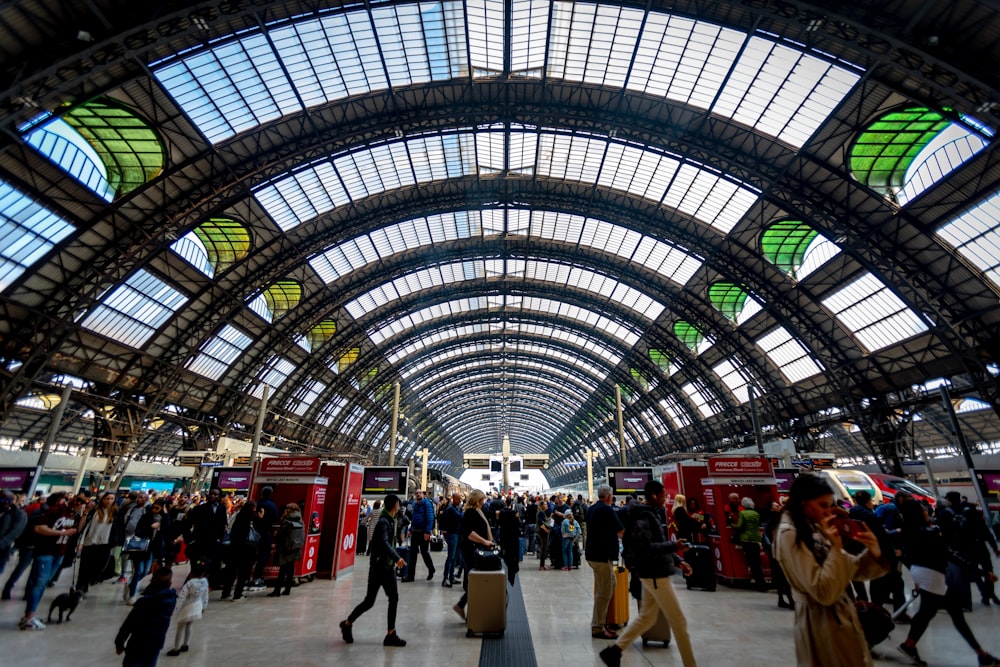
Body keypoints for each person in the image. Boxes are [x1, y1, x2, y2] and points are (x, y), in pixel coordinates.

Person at [773, 473, 889, 666]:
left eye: (830, 505)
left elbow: (848, 571)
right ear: (803, 503)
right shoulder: (790, 533)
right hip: (822, 625)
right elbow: (823, 591)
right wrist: (836, 549)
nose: (829, 512)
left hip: (838, 620)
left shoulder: (813, 527)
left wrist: (873, 553)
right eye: (823, 505)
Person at [599, 480, 695, 667]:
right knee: (679, 623)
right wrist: (675, 546)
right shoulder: (643, 517)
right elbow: (647, 548)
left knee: (647, 618)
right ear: (653, 495)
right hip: (655, 574)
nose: (665, 498)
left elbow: (656, 543)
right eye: (662, 494)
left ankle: (614, 651)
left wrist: (678, 560)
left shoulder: (649, 514)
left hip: (653, 572)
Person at [896, 500, 1000, 666]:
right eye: (923, 509)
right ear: (917, 513)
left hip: (920, 572)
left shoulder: (908, 531)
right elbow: (950, 554)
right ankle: (982, 655)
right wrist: (981, 572)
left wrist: (917, 578)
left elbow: (905, 555)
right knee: (954, 615)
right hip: (933, 574)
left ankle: (909, 644)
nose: (926, 511)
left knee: (927, 612)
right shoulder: (929, 532)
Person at [339, 494, 408, 647]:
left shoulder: (391, 519)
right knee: (372, 601)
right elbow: (383, 542)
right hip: (381, 567)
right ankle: (348, 623)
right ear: (394, 505)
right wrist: (397, 558)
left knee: (385, 599)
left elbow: (405, 523)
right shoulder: (384, 522)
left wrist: (401, 513)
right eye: (398, 504)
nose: (399, 507)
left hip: (384, 566)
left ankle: (389, 633)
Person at [17, 491, 78, 631]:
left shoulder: (70, 514)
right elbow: (39, 528)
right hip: (46, 552)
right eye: (66, 500)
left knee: (42, 583)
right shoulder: (50, 512)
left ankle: (30, 614)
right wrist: (62, 533)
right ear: (58, 501)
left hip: (59, 552)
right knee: (39, 583)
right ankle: (29, 617)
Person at [114, 566, 177, 667]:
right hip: (156, 644)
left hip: (138, 644)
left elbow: (129, 623)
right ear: (169, 584)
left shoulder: (144, 603)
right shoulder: (171, 600)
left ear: (151, 582)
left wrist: (119, 642)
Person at [586, 484, 624, 639]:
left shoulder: (592, 509)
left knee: (610, 584)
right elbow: (620, 531)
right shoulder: (607, 509)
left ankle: (601, 620)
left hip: (593, 554)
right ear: (609, 496)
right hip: (602, 556)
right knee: (604, 591)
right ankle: (598, 627)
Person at [452, 489, 495, 621]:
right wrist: (485, 541)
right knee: (475, 580)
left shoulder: (478, 511)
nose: (483, 502)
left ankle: (465, 607)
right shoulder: (471, 512)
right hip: (471, 550)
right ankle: (468, 611)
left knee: (474, 580)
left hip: (475, 549)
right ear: (476, 500)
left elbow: (492, 515)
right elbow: (468, 532)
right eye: (482, 500)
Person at [76, 490, 117, 595]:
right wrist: (80, 542)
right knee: (84, 567)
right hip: (90, 542)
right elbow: (86, 527)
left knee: (99, 567)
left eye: (112, 499)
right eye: (107, 499)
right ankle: (80, 588)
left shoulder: (116, 512)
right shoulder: (95, 511)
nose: (109, 501)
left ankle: (90, 581)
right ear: (102, 500)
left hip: (105, 544)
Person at [166, 561, 209, 656]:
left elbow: (182, 597)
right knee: (190, 625)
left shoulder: (189, 584)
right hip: (197, 605)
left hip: (187, 607)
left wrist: (176, 610)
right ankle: (186, 644)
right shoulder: (205, 582)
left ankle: (176, 648)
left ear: (192, 573)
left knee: (180, 628)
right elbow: (205, 595)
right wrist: (204, 606)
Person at [220, 500, 260, 601]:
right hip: (248, 548)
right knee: (243, 573)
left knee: (231, 571)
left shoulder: (238, 516)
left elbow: (230, 528)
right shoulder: (253, 517)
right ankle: (238, 593)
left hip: (234, 547)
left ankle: (226, 592)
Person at [269, 503, 304, 597]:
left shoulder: (287, 520)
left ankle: (277, 590)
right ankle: (287, 589)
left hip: (285, 548)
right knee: (290, 569)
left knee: (282, 570)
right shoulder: (300, 520)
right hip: (295, 547)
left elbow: (280, 534)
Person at [402, 489, 436, 582]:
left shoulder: (427, 503)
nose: (418, 494)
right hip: (415, 532)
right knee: (413, 554)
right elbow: (414, 519)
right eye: (416, 493)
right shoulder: (415, 505)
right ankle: (410, 576)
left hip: (423, 532)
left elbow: (430, 518)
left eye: (419, 493)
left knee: (424, 553)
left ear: (423, 495)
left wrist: (428, 532)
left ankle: (431, 568)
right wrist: (410, 529)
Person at [734, 497, 766, 591]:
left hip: (746, 540)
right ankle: (762, 583)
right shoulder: (756, 513)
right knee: (757, 562)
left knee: (752, 563)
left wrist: (733, 525)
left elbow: (739, 526)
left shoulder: (743, 513)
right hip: (756, 539)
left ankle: (758, 584)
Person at [251, 486, 278, 588]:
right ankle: (257, 577)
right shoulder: (272, 505)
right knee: (263, 555)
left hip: (254, 533)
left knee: (253, 556)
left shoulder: (257, 504)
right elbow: (275, 518)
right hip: (266, 533)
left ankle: (248, 577)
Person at [0, 490, 27, 578]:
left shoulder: (18, 514)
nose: (6, 503)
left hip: (2, 549)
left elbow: (14, 533)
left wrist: (1, 544)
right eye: (3, 500)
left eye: (10, 500)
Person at [440, 492, 464, 588]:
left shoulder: (454, 508)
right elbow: (461, 516)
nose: (460, 501)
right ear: (453, 499)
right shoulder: (451, 509)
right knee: (451, 557)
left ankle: (451, 577)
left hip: (456, 534)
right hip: (452, 535)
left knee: (453, 557)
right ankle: (445, 578)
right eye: (459, 499)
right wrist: (464, 511)